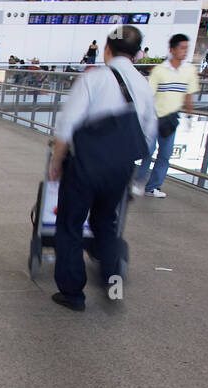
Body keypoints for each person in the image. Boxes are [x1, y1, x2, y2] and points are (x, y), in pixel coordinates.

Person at [49, 24, 157, 312]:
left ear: (107, 50)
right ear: (137, 54)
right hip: (120, 167)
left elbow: (68, 124)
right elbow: (149, 135)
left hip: (85, 165)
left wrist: (56, 161)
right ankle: (113, 279)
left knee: (71, 225)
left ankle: (73, 294)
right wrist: (131, 169)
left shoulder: (94, 79)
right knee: (106, 223)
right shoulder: (144, 85)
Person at [132, 33, 198, 198]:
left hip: (171, 118)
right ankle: (139, 181)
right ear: (172, 49)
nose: (185, 51)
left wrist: (190, 116)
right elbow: (149, 94)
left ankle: (153, 187)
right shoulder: (160, 71)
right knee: (148, 150)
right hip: (155, 117)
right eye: (182, 47)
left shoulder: (189, 70)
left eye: (186, 48)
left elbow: (189, 94)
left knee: (165, 154)